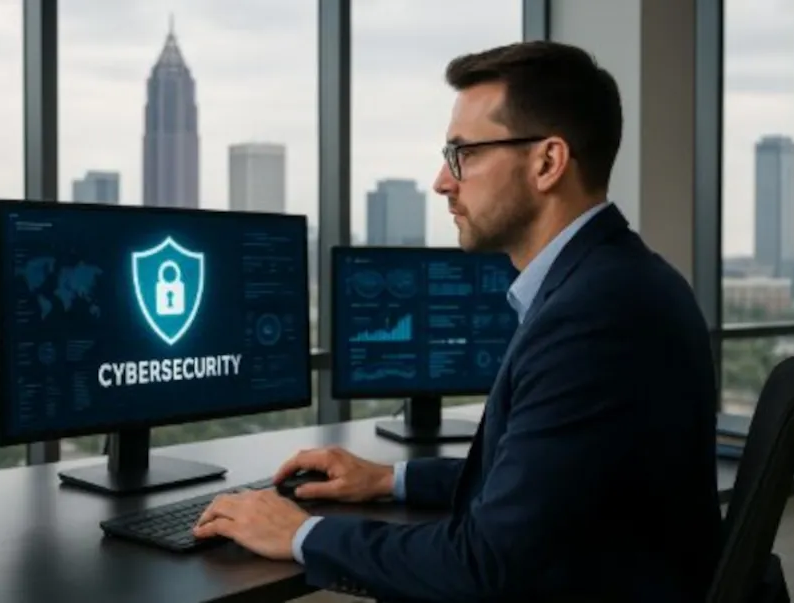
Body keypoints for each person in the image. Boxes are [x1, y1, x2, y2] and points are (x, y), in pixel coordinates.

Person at [193, 40, 722, 603]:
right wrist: (387, 480)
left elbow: (486, 567)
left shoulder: (595, 316)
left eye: (462, 154)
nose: (443, 182)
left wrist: (301, 532)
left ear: (547, 162)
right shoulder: (618, 280)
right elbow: (539, 479)